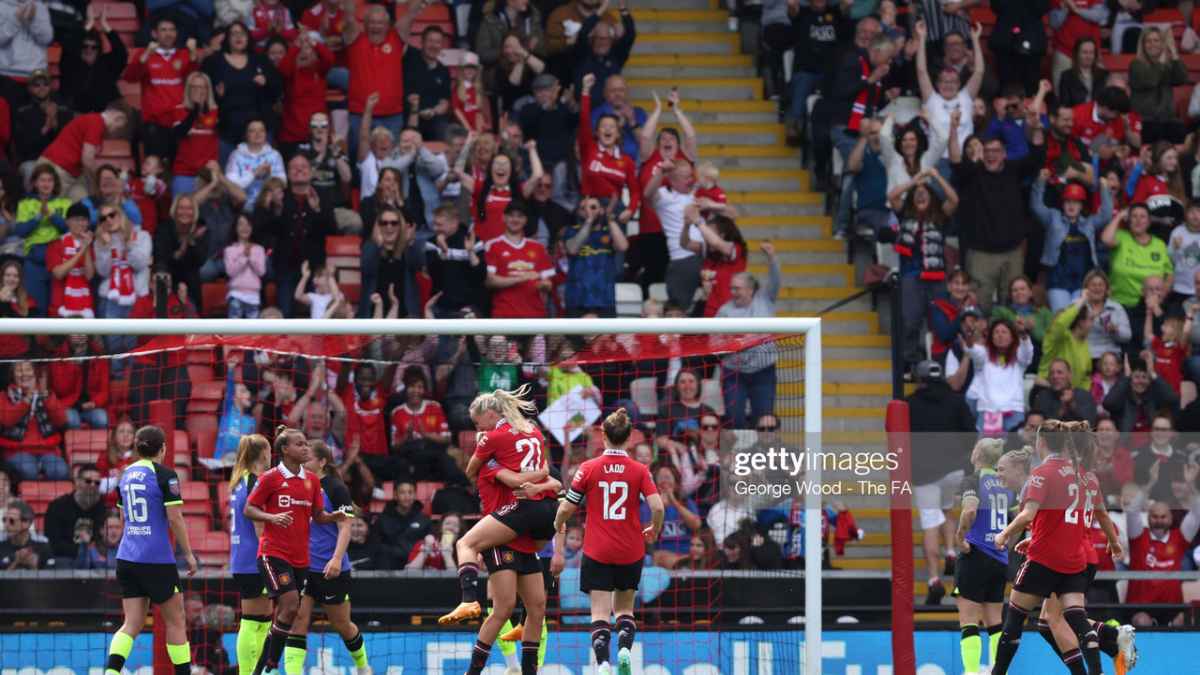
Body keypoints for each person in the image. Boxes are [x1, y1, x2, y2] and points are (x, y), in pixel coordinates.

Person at [991, 420, 1122, 675]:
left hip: (1044, 558)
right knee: (1074, 618)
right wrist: (1114, 542)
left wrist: (1004, 534)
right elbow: (1097, 516)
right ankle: (1097, 669)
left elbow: (1028, 515)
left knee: (1015, 616)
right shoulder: (1087, 477)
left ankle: (998, 672)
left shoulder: (1042, 473)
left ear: (1041, 442)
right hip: (1074, 559)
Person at [555, 408, 664, 675]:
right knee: (625, 609)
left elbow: (568, 507)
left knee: (599, 613)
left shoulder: (588, 468)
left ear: (603, 435)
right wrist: (655, 529)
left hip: (597, 550)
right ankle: (625, 649)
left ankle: (603, 664)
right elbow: (658, 507)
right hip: (630, 550)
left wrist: (558, 523)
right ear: (629, 439)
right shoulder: (640, 470)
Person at [441, 385, 556, 625]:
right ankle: (524, 627)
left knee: (469, 547)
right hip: (546, 509)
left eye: (478, 423)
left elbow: (471, 470)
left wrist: (487, 458)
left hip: (515, 511)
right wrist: (539, 474)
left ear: (491, 415)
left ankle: (468, 600)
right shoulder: (532, 430)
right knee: (533, 577)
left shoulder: (493, 440)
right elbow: (552, 478)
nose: (477, 429)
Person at [243, 426, 348, 675]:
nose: (305, 448)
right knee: (290, 606)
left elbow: (318, 516)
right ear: (285, 450)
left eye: (306, 444)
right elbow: (249, 509)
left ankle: (262, 667)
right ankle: (271, 663)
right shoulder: (270, 478)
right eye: (300, 444)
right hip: (273, 553)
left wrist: (332, 516)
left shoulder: (312, 481)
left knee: (287, 613)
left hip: (301, 559)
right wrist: (272, 517)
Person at [103, 425, 199, 675]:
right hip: (156, 559)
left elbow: (123, 519)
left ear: (137, 447)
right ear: (163, 448)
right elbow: (175, 519)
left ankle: (111, 672)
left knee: (131, 623)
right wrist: (188, 554)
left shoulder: (124, 474)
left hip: (127, 556)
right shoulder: (165, 475)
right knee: (176, 621)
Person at [286, 440, 370, 675]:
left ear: (322, 462)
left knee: (342, 624)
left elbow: (346, 527)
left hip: (330, 568)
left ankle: (363, 667)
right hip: (301, 566)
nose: (304, 460)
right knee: (298, 621)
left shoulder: (335, 487)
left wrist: (335, 559)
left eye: (309, 457)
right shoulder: (295, 485)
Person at [906, 359, 976, 605]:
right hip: (954, 470)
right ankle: (950, 551)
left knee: (929, 523)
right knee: (946, 510)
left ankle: (934, 580)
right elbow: (971, 434)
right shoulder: (956, 401)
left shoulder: (910, 404)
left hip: (923, 474)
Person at [952, 438, 1013, 675]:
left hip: (975, 554)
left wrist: (959, 537)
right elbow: (1019, 519)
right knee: (995, 623)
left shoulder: (973, 480)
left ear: (977, 453)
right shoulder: (1005, 484)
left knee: (969, 621)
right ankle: (999, 671)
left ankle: (972, 671)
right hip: (999, 559)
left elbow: (969, 509)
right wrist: (1006, 542)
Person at [340, 0, 424, 161]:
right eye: (371, 22)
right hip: (360, 114)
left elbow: (411, 14)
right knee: (360, 163)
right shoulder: (355, 37)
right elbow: (349, 15)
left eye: (380, 22)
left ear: (388, 25)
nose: (376, 26)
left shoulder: (396, 37)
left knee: (392, 163)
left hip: (392, 115)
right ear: (364, 24)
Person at [717, 242, 781, 428]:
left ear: (750, 289)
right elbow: (715, 342)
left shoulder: (765, 300)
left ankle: (759, 456)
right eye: (732, 288)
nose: (733, 292)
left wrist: (772, 257)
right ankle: (737, 456)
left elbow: (775, 279)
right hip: (734, 373)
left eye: (737, 288)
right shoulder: (724, 311)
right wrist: (733, 339)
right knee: (734, 418)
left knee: (763, 420)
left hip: (764, 372)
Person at [1031, 172, 1113, 312]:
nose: (1071, 205)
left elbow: (1106, 214)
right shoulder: (1053, 218)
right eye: (1068, 201)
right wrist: (1040, 181)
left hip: (1082, 282)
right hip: (1057, 280)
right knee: (1062, 319)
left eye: (1076, 202)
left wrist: (1104, 188)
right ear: (1063, 204)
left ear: (1081, 205)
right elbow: (1036, 206)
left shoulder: (1089, 223)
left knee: (1079, 320)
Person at [122, 16, 199, 162]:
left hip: (178, 122)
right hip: (154, 123)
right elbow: (129, 78)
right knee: (154, 167)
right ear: (154, 34)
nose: (168, 33)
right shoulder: (145, 54)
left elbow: (195, 80)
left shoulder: (184, 54)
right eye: (163, 30)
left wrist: (194, 54)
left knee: (177, 167)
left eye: (172, 30)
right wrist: (145, 56)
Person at [1124, 484, 1200, 626]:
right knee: (1142, 622)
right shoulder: (1138, 537)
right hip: (1141, 608)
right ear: (1148, 518)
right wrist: (1148, 485)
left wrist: (1192, 486)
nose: (1159, 520)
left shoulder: (1179, 538)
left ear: (1171, 518)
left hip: (1172, 608)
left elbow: (1197, 513)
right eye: (1155, 516)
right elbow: (1132, 512)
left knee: (1184, 621)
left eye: (1163, 516)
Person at [228, 434, 272, 675]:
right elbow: (259, 527)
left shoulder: (239, 480)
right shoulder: (256, 481)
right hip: (255, 559)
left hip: (241, 558)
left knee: (260, 620)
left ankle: (255, 670)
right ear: (263, 453)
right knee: (253, 621)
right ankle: (248, 672)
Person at [915, 20, 986, 158]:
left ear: (959, 84)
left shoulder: (965, 97)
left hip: (965, 159)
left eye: (953, 82)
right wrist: (922, 38)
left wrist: (975, 40)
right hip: (938, 160)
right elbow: (921, 71)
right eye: (944, 81)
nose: (948, 85)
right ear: (937, 84)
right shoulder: (932, 99)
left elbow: (979, 71)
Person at [0, 360, 69, 480]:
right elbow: (7, 420)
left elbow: (61, 420)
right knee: (29, 471)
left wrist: (45, 396)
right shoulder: (4, 395)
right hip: (16, 451)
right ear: (12, 375)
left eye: (27, 369)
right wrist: (28, 398)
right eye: (19, 370)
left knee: (61, 471)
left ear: (35, 373)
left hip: (47, 449)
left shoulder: (46, 393)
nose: (24, 374)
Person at [16, 163, 71, 313]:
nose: (46, 184)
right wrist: (39, 216)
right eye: (42, 180)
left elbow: (68, 229)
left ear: (55, 183)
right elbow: (20, 231)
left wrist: (52, 215)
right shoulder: (25, 204)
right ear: (35, 183)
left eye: (50, 180)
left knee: (58, 309)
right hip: (34, 263)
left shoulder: (65, 203)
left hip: (59, 262)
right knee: (36, 309)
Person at [562, 195, 628, 316]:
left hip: (605, 300)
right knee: (575, 335)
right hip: (577, 300)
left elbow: (623, 246)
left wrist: (610, 219)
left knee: (606, 336)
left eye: (593, 207)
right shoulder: (571, 231)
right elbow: (572, 249)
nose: (588, 211)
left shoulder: (608, 232)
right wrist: (589, 221)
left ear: (601, 210)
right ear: (578, 212)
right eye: (583, 208)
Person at [484, 204, 554, 318]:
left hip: (535, 316)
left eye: (520, 216)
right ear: (504, 218)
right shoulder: (492, 245)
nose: (515, 219)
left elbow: (548, 284)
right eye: (511, 216)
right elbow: (490, 281)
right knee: (497, 337)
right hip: (504, 315)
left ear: (525, 220)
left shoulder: (538, 247)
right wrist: (523, 278)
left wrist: (544, 285)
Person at [59, 9, 128, 113]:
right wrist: (87, 26)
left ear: (99, 49)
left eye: (94, 47)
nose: (89, 50)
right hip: (77, 114)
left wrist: (106, 27)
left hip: (105, 116)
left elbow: (121, 54)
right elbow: (68, 49)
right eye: (85, 46)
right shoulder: (71, 63)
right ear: (79, 47)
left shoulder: (106, 63)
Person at [1130, 26, 1189, 145]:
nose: (1152, 44)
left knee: (1180, 132)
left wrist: (1174, 55)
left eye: (1156, 40)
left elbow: (1182, 79)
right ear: (1143, 45)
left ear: (1162, 43)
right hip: (1145, 119)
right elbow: (1151, 80)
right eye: (1148, 41)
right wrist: (1161, 62)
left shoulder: (1167, 64)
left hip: (1167, 119)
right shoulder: (1136, 64)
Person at [170, 71, 221, 196]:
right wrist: (195, 110)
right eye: (195, 87)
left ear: (208, 90)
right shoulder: (178, 110)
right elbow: (179, 133)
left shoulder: (217, 112)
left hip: (208, 174)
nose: (199, 91)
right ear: (188, 89)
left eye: (203, 87)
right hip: (184, 173)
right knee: (182, 212)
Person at [44, 463, 107, 559]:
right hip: (63, 558)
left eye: (97, 483)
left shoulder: (103, 509)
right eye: (88, 481)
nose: (93, 485)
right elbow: (53, 542)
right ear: (77, 482)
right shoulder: (58, 507)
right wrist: (81, 550)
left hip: (94, 559)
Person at [46, 202, 96, 318]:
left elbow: (89, 276)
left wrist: (86, 248)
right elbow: (59, 273)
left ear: (88, 223)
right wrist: (82, 250)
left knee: (81, 337)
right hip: (60, 305)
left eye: (84, 220)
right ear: (67, 222)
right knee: (64, 337)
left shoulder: (89, 245)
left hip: (84, 305)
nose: (80, 223)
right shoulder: (57, 243)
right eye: (76, 219)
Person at [225, 118, 286, 211]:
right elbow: (231, 186)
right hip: (243, 208)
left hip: (269, 208)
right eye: (252, 131)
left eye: (261, 130)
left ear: (266, 134)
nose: (258, 134)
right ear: (246, 135)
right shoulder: (236, 155)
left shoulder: (275, 155)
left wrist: (268, 176)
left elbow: (283, 183)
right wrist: (254, 174)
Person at [223, 213, 267, 318]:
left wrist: (250, 257)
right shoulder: (229, 250)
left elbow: (261, 271)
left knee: (253, 332)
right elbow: (230, 271)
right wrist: (244, 257)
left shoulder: (259, 249)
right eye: (241, 224)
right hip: (236, 294)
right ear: (235, 228)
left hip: (254, 296)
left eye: (248, 224)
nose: (244, 228)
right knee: (234, 331)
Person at [1032, 359, 1099, 425]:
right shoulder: (1042, 397)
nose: (1055, 376)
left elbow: (1089, 423)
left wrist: (1072, 405)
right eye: (1052, 373)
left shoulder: (1084, 396)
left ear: (1069, 375)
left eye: (1059, 372)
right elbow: (1041, 426)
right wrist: (1062, 408)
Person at [0, 500, 56, 569]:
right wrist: (16, 562)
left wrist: (32, 565)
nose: (6, 525)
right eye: (4, 520)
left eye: (11, 521)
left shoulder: (42, 546)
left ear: (26, 523)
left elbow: (50, 578)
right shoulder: (1, 546)